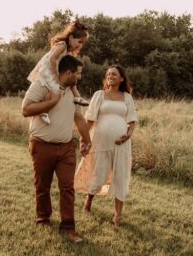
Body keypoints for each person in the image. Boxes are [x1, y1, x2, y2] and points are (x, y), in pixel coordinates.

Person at [21, 54, 92, 243]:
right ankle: (43, 219)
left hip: (66, 148)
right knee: (42, 185)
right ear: (68, 72)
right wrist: (51, 102)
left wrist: (87, 139)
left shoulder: (72, 94)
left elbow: (78, 118)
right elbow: (25, 110)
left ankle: (68, 228)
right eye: (77, 73)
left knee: (67, 187)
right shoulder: (41, 85)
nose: (79, 77)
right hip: (41, 145)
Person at [75, 65, 138, 228]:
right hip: (100, 141)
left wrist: (128, 134)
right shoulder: (99, 95)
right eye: (108, 73)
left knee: (120, 176)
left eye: (114, 74)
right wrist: (84, 139)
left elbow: (132, 121)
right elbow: (89, 119)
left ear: (121, 78)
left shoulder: (127, 97)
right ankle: (89, 199)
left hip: (121, 144)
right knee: (99, 173)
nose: (110, 75)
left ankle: (117, 215)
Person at [27, 20, 91, 125]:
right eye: (79, 42)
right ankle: (44, 111)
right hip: (48, 71)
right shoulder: (62, 45)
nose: (80, 45)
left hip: (53, 70)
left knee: (71, 82)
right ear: (70, 38)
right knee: (55, 93)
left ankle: (77, 97)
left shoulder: (67, 50)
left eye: (82, 43)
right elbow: (52, 59)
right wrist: (55, 75)